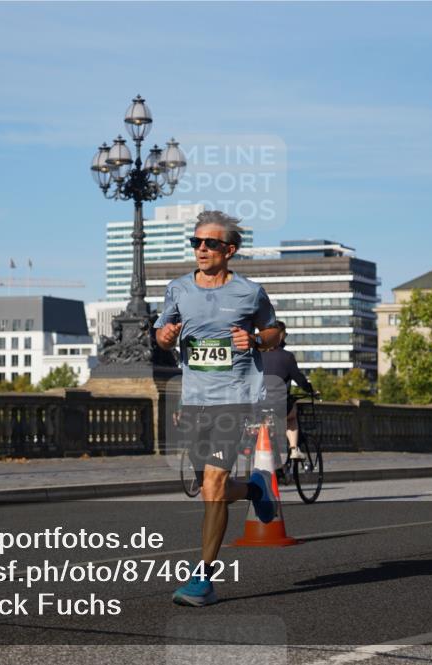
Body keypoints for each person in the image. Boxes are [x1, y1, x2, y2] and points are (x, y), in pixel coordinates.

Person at [155, 210, 283, 607]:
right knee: (207, 486)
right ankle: (254, 488)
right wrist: (165, 335)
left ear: (230, 249)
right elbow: (161, 336)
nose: (201, 249)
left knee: (212, 486)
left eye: (209, 243)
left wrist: (257, 341)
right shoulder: (178, 289)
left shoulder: (249, 292)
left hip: (235, 395)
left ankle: (203, 579)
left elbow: (276, 332)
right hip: (194, 399)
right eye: (196, 242)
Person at [262, 321, 318, 465]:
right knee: (292, 416)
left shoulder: (257, 355)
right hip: (279, 404)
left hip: (257, 403)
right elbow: (299, 380)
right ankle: (294, 448)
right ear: (280, 336)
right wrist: (311, 390)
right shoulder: (286, 357)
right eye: (285, 334)